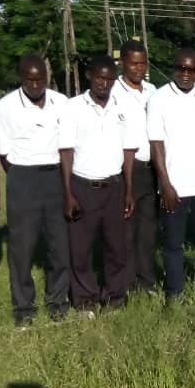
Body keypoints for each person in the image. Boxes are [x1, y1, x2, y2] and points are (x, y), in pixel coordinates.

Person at [0, 55, 70, 326]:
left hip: (57, 176)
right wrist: (20, 176)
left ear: (47, 78)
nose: (36, 85)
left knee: (60, 245)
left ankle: (57, 301)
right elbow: (3, 153)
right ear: (21, 77)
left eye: (41, 79)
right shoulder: (5, 107)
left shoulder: (61, 103)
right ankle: (24, 307)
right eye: (30, 79)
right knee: (22, 247)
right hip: (23, 177)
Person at [58, 56, 139, 314]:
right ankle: (85, 301)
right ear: (89, 77)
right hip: (83, 185)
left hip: (114, 186)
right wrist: (68, 192)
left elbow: (129, 151)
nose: (104, 83)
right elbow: (66, 152)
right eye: (100, 78)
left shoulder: (123, 106)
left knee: (117, 247)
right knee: (81, 250)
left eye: (109, 79)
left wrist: (128, 190)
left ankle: (115, 297)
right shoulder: (73, 107)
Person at [147, 48, 195, 302]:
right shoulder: (159, 98)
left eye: (191, 69)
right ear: (174, 68)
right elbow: (156, 143)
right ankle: (174, 292)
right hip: (174, 187)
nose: (185, 74)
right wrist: (165, 184)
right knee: (172, 243)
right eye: (181, 68)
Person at [114, 40, 158, 294]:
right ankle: (126, 282)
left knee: (148, 228)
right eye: (133, 63)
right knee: (126, 228)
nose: (138, 68)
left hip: (152, 167)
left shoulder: (153, 91)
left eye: (142, 63)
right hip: (126, 168)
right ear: (123, 63)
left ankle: (146, 280)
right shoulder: (114, 92)